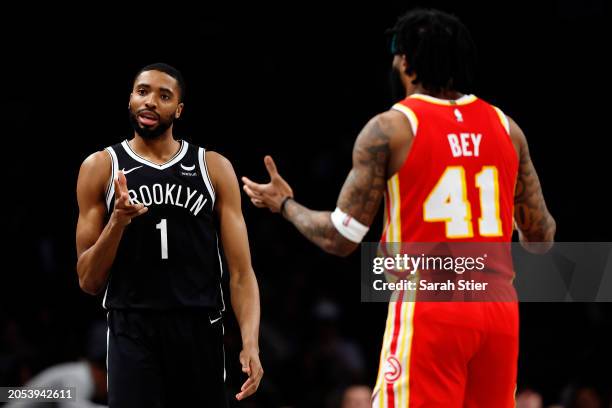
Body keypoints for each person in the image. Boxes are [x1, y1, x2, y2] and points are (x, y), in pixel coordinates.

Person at [242, 8, 555, 407]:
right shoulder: (506, 127)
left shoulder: (392, 127)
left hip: (432, 308)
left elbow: (340, 238)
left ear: (405, 61)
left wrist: (284, 204)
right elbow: (541, 239)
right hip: (499, 311)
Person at [75, 63, 263, 407]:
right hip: (132, 327)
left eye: (164, 96)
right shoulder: (101, 166)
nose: (150, 102)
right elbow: (88, 279)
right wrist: (117, 222)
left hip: (199, 327)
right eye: (142, 91)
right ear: (130, 99)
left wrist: (250, 341)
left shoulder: (214, 167)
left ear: (178, 110)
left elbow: (240, 272)